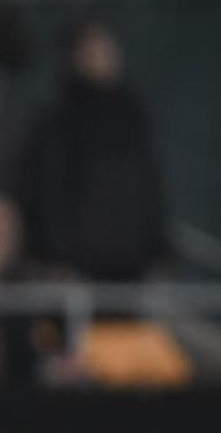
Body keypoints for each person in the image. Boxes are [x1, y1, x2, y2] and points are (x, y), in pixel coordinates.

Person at [13, 20, 167, 283]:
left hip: (133, 267)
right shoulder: (58, 120)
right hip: (78, 272)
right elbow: (49, 190)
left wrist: (159, 251)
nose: (100, 56)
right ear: (74, 57)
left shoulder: (134, 115)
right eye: (91, 49)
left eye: (105, 48)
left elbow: (150, 186)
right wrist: (55, 256)